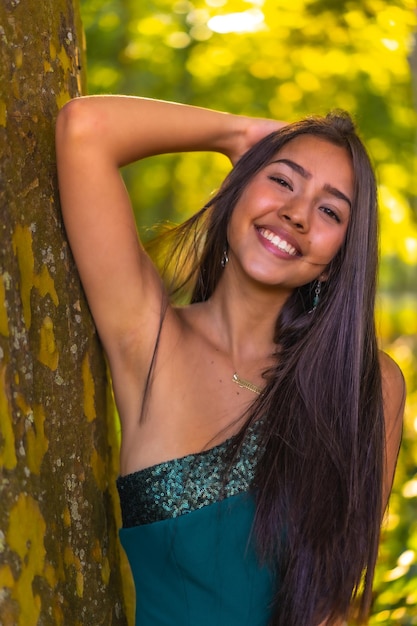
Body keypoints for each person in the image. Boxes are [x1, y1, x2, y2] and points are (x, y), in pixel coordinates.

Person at [55, 96, 405, 626]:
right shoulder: (149, 338)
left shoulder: (366, 387)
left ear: (338, 261)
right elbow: (85, 128)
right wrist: (238, 134)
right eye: (282, 180)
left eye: (330, 211)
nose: (296, 213)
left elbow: (334, 608)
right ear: (237, 188)